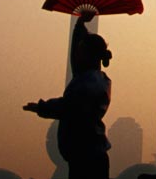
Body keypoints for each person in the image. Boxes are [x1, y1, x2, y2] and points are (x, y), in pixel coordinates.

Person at [24, 12, 112, 179]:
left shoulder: (90, 84)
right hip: (88, 154)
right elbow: (75, 60)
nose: (76, 54)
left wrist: (41, 107)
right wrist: (80, 25)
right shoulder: (94, 78)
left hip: (87, 159)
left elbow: (69, 106)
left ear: (88, 55)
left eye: (80, 51)